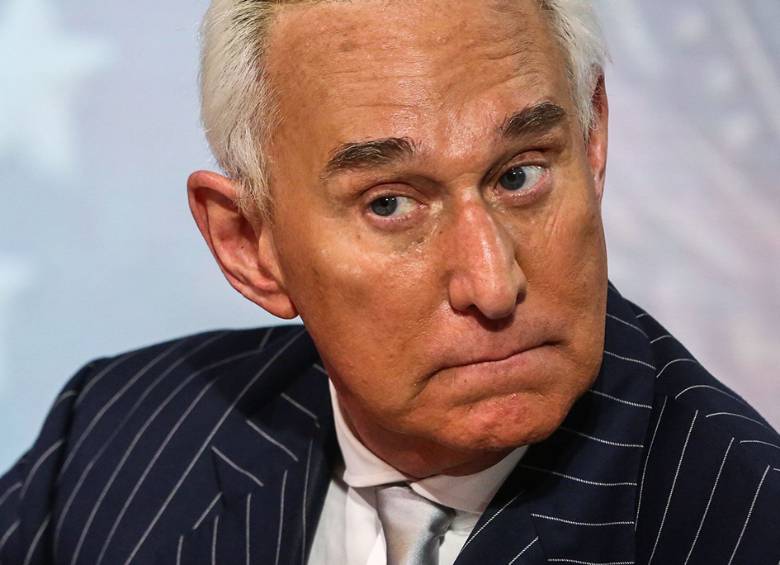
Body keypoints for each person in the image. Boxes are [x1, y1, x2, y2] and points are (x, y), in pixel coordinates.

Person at [1, 0, 778, 563]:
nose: (492, 283)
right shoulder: (112, 436)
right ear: (248, 243)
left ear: (592, 140)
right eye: (390, 203)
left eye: (520, 174)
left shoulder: (745, 518)